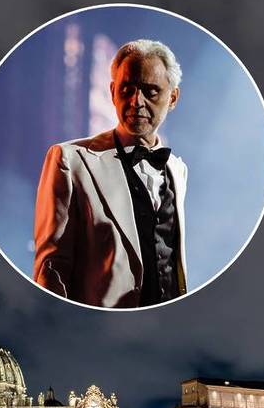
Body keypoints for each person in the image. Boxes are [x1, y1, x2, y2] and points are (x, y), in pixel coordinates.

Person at [33, 39, 188, 308]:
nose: (136, 102)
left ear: (172, 97)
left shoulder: (178, 169)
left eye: (150, 92)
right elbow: (51, 268)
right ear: (113, 91)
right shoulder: (69, 159)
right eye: (127, 89)